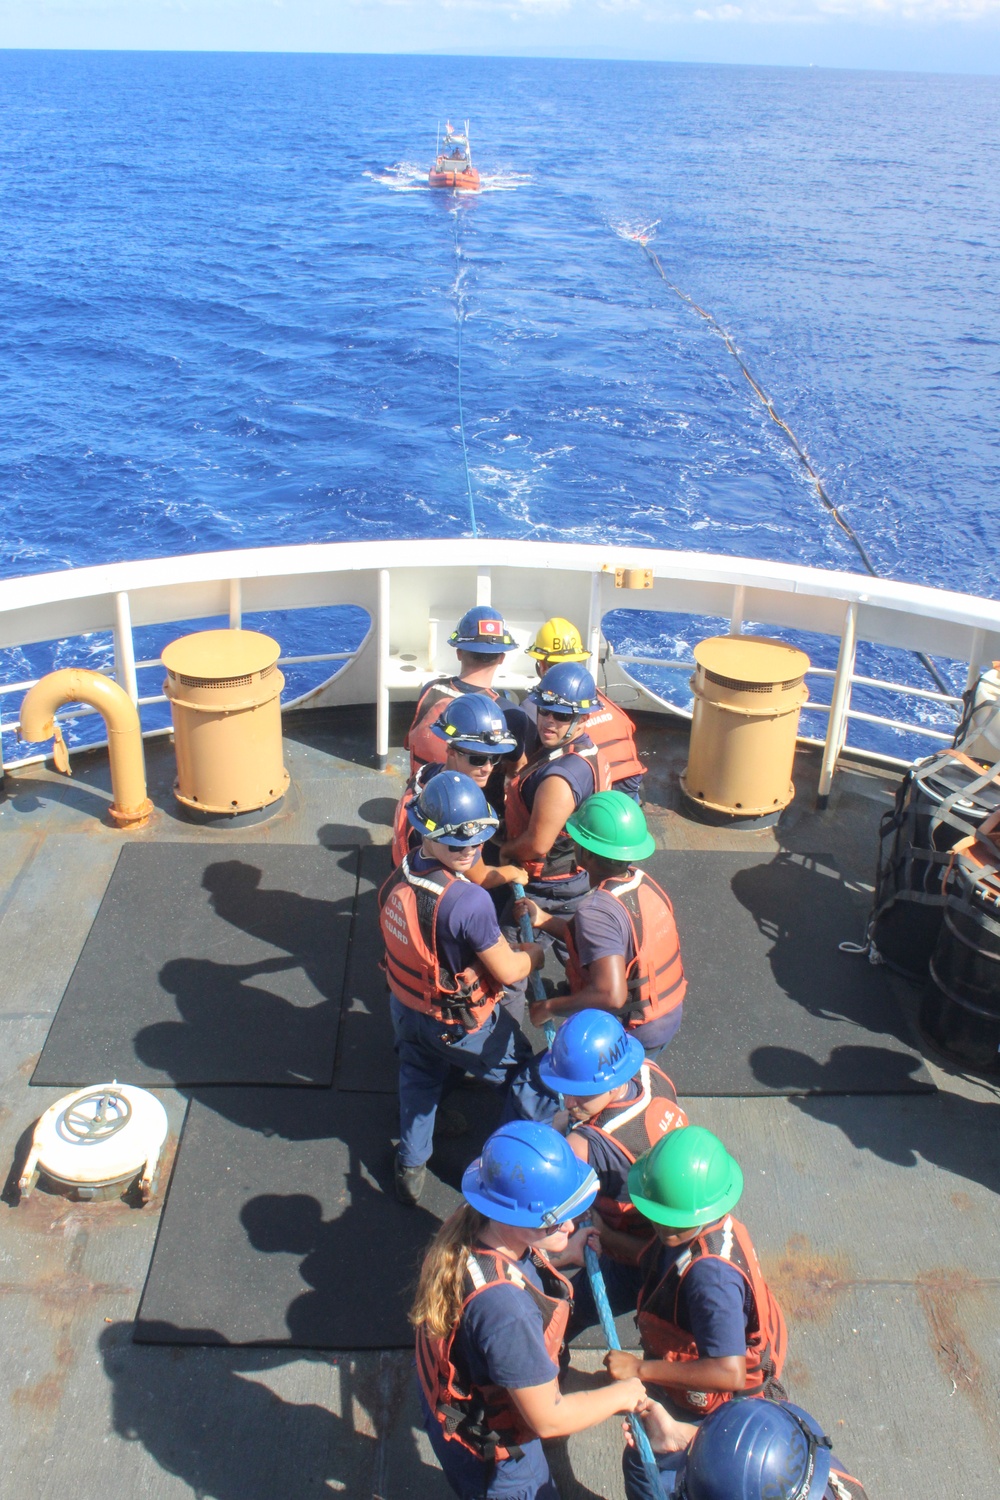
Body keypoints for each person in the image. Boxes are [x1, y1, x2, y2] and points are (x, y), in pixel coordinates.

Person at [411, 1120, 649, 1500]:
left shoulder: (472, 1218)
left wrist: (561, 1252)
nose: (571, 1224)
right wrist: (625, 1394)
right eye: (556, 1219)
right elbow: (548, 1417)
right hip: (500, 1465)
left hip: (450, 1407)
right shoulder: (506, 1313)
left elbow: (509, 1251)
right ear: (517, 1218)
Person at [379, 772, 549, 1206]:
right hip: (459, 1025)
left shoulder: (407, 865)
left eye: (477, 841)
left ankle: (411, 1165)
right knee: (521, 1076)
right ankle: (522, 1164)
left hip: (406, 1008)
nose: (470, 850)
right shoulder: (468, 903)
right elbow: (509, 971)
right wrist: (533, 955)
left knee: (418, 1077)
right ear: (430, 835)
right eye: (459, 844)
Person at [604, 1127, 787, 1416]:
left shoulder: (711, 1281)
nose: (665, 1228)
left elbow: (729, 1373)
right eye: (659, 1215)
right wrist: (606, 1238)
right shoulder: (704, 1222)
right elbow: (661, 1260)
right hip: (696, 1354)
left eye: (676, 1220)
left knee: (646, 1460)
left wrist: (640, 1368)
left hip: (717, 1405)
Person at [536, 1010, 687, 1329]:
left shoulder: (586, 1145)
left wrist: (601, 1235)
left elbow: (542, 1212)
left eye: (581, 1091)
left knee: (567, 1314)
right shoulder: (650, 1073)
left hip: (635, 1254)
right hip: (677, 1225)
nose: (568, 1100)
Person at [516, 792, 686, 1056]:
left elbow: (611, 996)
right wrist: (544, 920)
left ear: (586, 853)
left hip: (632, 1032)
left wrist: (548, 1008)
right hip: (666, 1013)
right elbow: (605, 940)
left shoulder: (596, 911)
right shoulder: (641, 882)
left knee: (570, 1087)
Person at [497, 662, 606, 1020]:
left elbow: (537, 844)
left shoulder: (562, 778)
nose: (548, 721)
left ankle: (506, 1049)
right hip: (574, 881)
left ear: (582, 719)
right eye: (545, 710)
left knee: (506, 971)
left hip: (546, 887)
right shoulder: (582, 752)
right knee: (583, 964)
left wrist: (505, 851)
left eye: (561, 715)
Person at [391, 696, 527, 899]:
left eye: (495, 758)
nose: (488, 768)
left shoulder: (427, 774)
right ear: (451, 750)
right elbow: (482, 877)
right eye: (478, 759)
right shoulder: (453, 808)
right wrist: (515, 873)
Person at [620, 1395, 869, 1500]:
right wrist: (682, 1435)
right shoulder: (835, 1485)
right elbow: (751, 1463)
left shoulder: (797, 1449)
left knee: (642, 1467)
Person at [525, 616, 646, 798]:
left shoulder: (532, 707)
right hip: (631, 788)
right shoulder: (596, 698)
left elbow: (526, 762)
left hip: (594, 790)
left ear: (541, 666)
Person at [405, 606, 520, 775]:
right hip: (474, 798)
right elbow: (516, 769)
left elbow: (409, 743)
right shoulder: (509, 710)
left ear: (459, 653)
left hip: (422, 790)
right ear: (502, 658)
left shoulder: (430, 689)